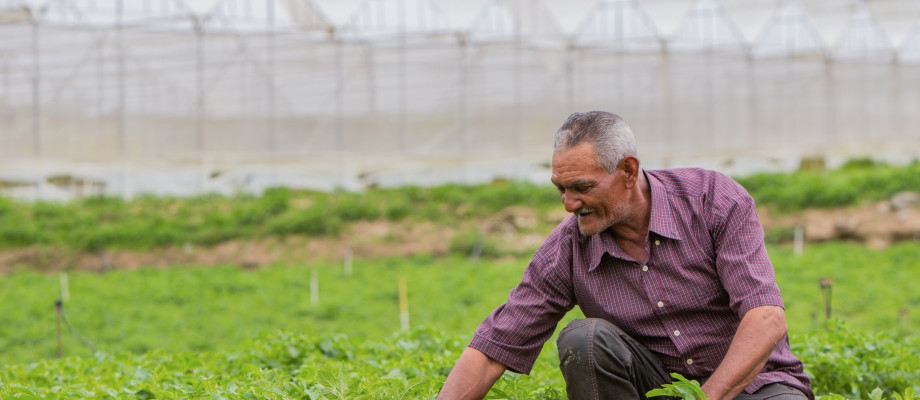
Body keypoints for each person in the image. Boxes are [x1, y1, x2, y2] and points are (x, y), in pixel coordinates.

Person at [437, 111, 812, 400]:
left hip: (757, 385)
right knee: (585, 338)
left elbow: (765, 319)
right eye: (560, 189)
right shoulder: (568, 248)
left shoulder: (711, 201)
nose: (569, 204)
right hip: (657, 388)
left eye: (582, 187)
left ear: (628, 171)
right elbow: (492, 349)